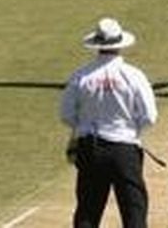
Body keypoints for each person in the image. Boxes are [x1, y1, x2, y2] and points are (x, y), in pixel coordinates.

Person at [60, 17, 158, 228]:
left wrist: (84, 126)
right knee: (134, 212)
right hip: (124, 149)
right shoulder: (133, 75)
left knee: (87, 212)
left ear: (97, 45)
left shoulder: (81, 76)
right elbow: (149, 116)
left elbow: (66, 114)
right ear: (120, 45)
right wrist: (132, 131)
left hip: (90, 148)